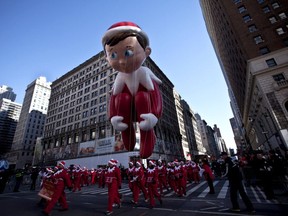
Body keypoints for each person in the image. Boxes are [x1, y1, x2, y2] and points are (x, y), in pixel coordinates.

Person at [102, 21, 163, 159]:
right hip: (126, 111)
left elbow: (155, 96)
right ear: (107, 58)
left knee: (143, 96)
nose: (122, 62)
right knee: (122, 98)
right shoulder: (119, 79)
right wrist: (113, 116)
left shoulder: (145, 74)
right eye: (113, 55)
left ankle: (147, 136)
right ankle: (126, 133)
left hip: (145, 111)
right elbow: (113, 99)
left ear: (147, 52)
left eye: (128, 52)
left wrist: (154, 114)